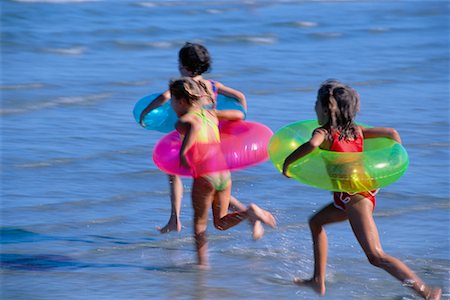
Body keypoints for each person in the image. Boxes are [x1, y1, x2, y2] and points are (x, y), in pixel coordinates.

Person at [282, 79, 441, 299]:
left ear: (326, 109)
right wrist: (393, 159)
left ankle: (426, 291)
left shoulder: (324, 133)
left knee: (376, 256)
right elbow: (392, 134)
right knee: (316, 222)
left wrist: (287, 164)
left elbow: (311, 145)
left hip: (354, 198)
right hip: (353, 194)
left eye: (316, 104)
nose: (314, 108)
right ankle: (318, 280)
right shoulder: (356, 130)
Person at [139, 42, 258, 236]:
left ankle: (174, 219)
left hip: (192, 135)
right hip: (212, 135)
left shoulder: (184, 87)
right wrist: (243, 117)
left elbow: (163, 97)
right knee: (214, 184)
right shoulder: (212, 85)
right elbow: (240, 96)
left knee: (176, 174)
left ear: (184, 67)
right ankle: (247, 214)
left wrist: (145, 114)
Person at [169, 77, 276, 267]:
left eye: (172, 101)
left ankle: (202, 265)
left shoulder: (184, 121)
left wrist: (184, 153)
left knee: (200, 224)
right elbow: (239, 115)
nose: (171, 105)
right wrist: (217, 113)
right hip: (223, 173)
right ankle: (249, 212)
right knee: (220, 222)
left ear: (182, 101)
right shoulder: (211, 115)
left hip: (205, 175)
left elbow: (192, 127)